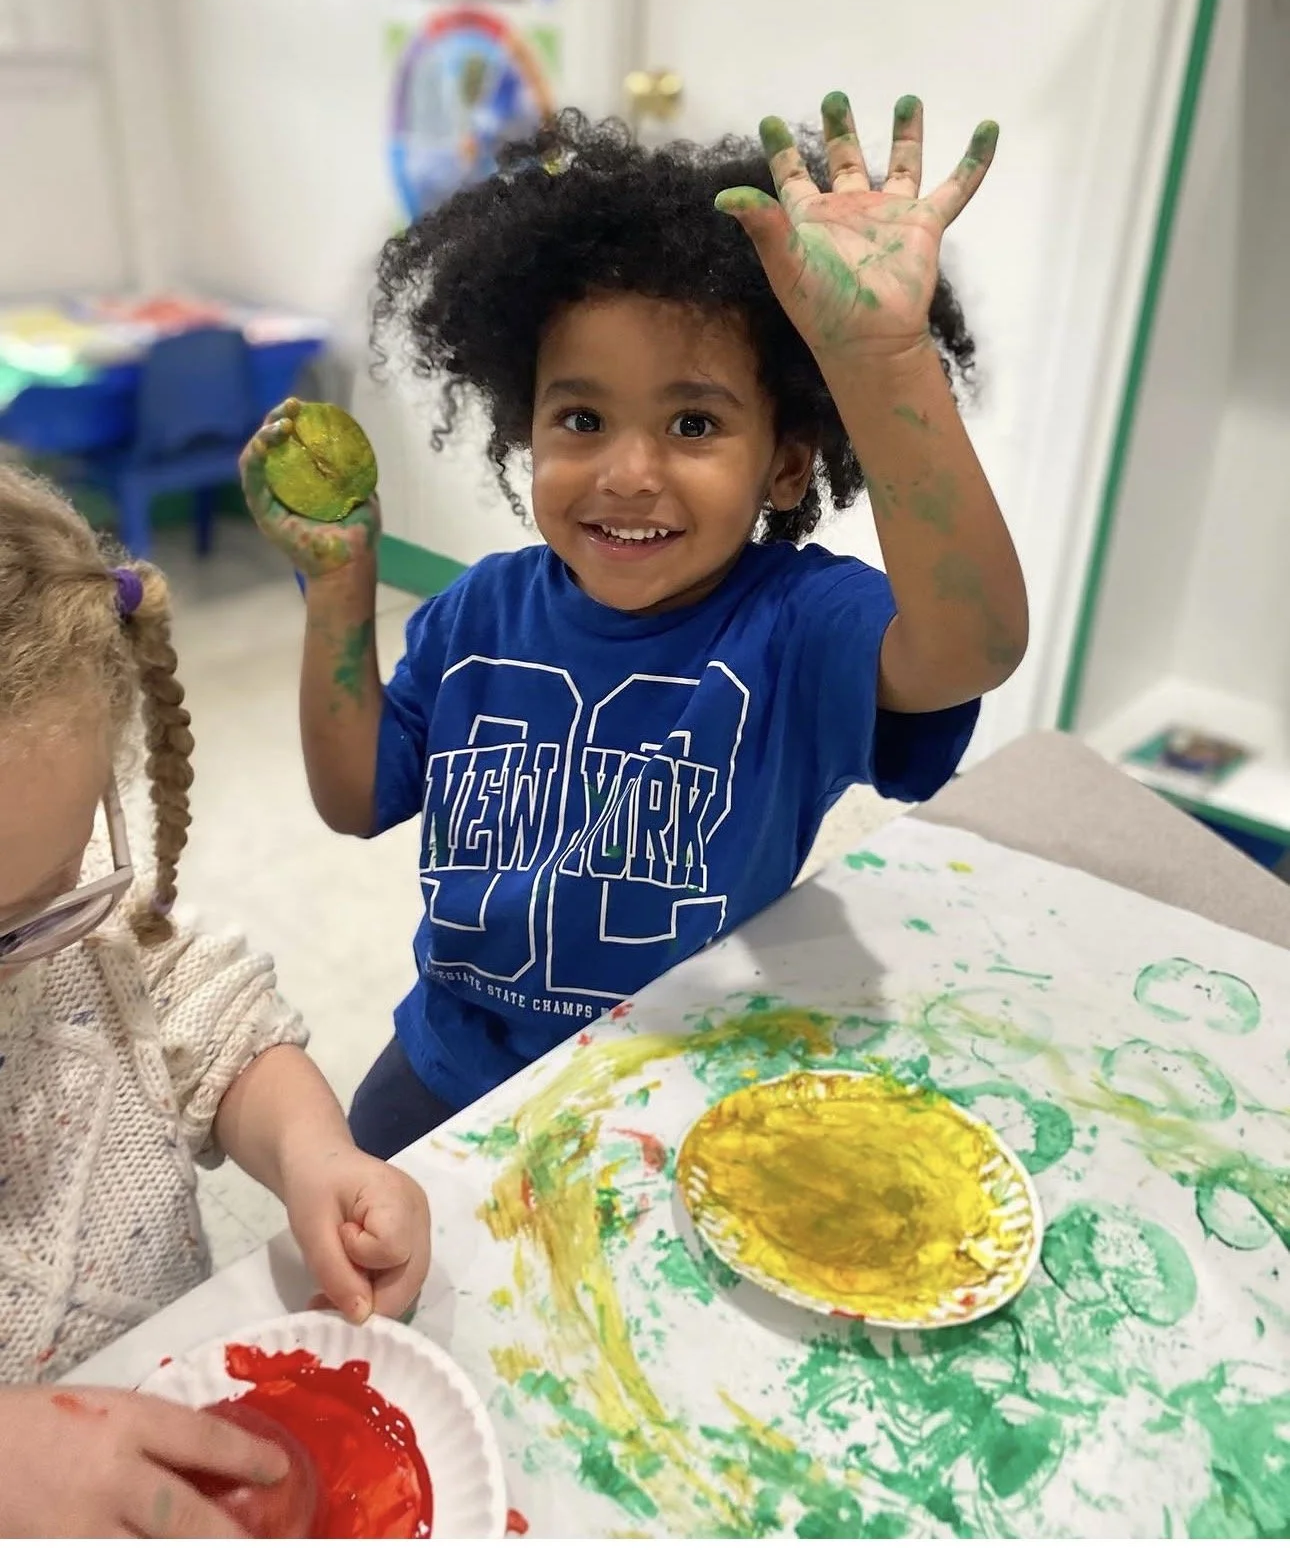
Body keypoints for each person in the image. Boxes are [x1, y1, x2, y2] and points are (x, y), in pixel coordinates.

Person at [241, 91, 1028, 1161]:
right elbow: (353, 799)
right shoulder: (480, 611)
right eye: (582, 419)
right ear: (527, 430)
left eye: (694, 423)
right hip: (449, 1065)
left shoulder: (796, 625)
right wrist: (340, 597)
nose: (627, 473)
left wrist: (881, 366)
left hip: (674, 1088)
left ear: (787, 464)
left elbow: (971, 647)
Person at [0, 463, 431, 1536]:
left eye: (41, 903)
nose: (21, 958)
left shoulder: (82, 944)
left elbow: (207, 1014)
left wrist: (312, 1152)